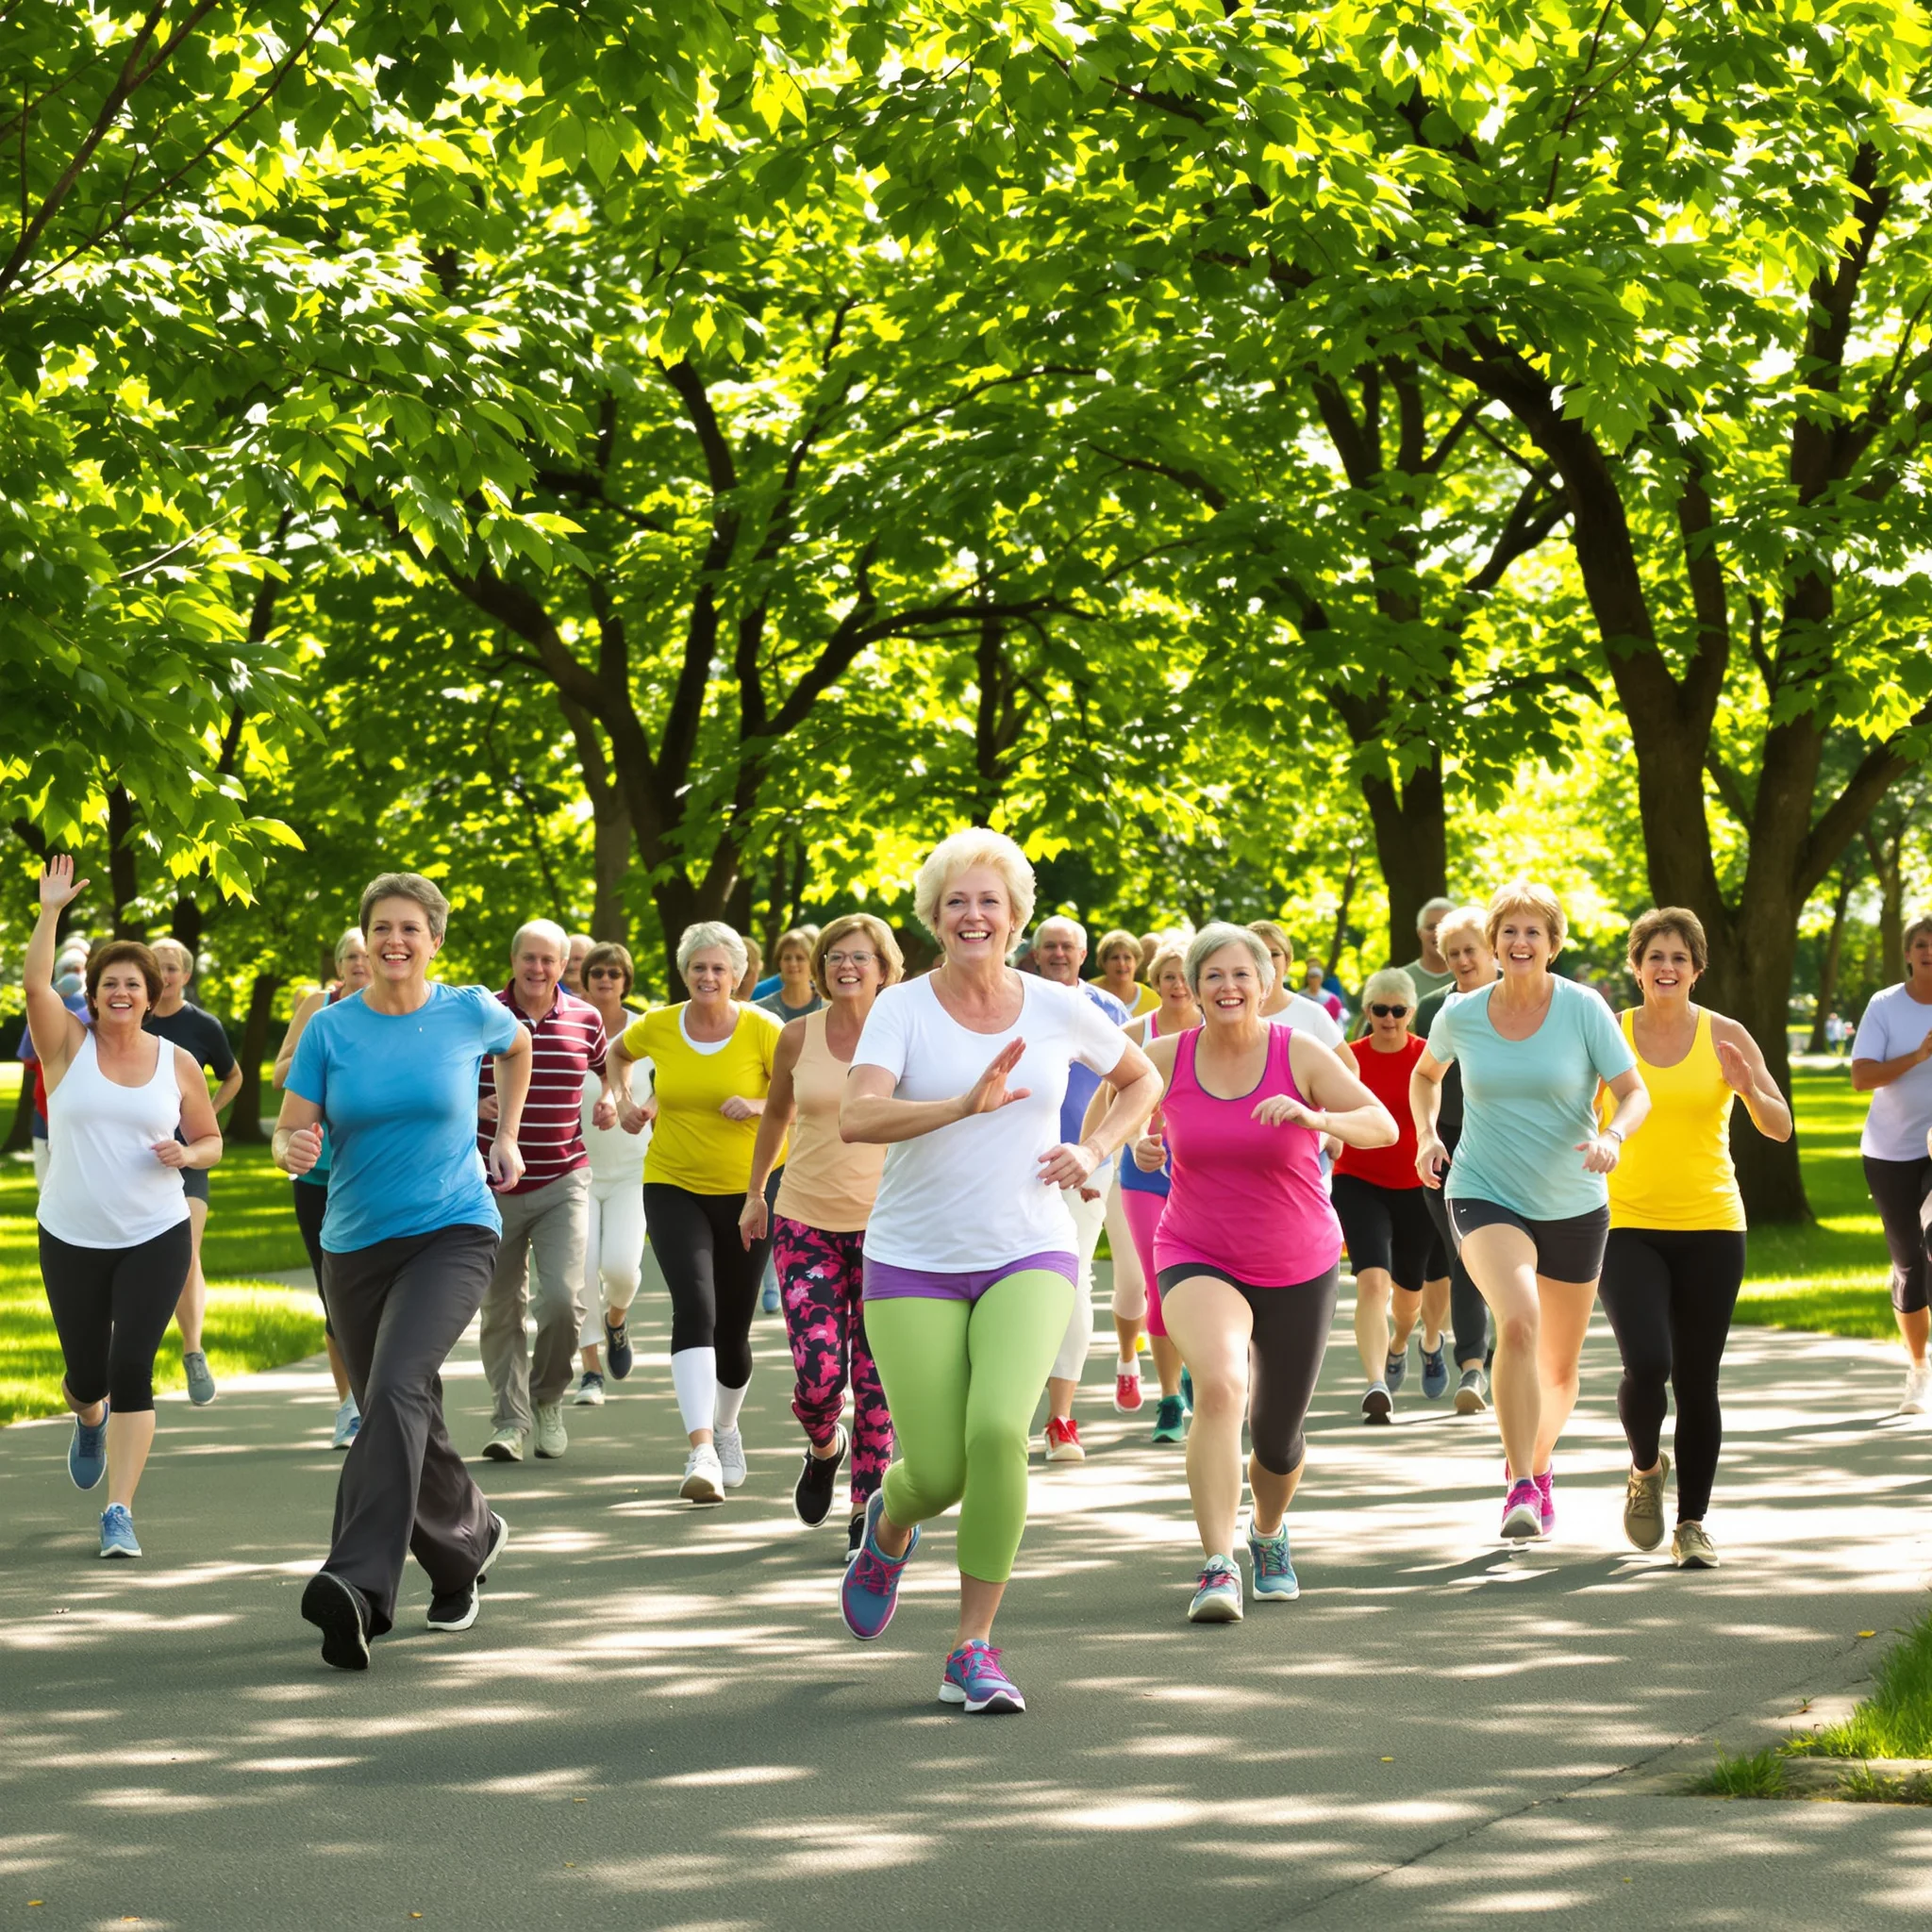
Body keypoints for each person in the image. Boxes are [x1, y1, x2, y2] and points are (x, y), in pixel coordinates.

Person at [838, 829, 1160, 1714]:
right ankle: (890, 1523)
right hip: (912, 1258)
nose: (973, 915)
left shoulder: (1058, 1005)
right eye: (955, 902)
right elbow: (857, 1121)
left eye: (989, 901)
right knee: (937, 1471)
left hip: (1031, 1245)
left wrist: (1094, 1148)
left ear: (1015, 917)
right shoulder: (901, 1008)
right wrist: (957, 1105)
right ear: (934, 919)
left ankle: (970, 1647)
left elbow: (1141, 1081)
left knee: (996, 1435)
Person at [275, 871, 531, 1670]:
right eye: (381, 927)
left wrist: (506, 1135)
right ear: (365, 938)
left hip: (452, 1228)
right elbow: (290, 1130)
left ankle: (356, 1587)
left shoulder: (467, 1012)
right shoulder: (329, 1027)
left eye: (410, 928)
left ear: (435, 939)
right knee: (407, 1400)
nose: (394, 941)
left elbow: (518, 1044)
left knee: (387, 1390)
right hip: (352, 1244)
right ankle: (468, 1542)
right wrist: (296, 1148)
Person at [1137, 924, 1395, 1623]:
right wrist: (1141, 1141)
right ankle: (1217, 1563)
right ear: (1192, 987)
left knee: (1278, 1437)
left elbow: (1381, 1126)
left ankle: (1269, 1534)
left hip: (1297, 1258)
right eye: (1212, 976)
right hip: (1196, 1249)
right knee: (1219, 1386)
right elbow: (1116, 1111)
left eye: (1240, 975)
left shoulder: (1300, 1051)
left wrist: (1315, 1117)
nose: (1227, 988)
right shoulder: (1165, 1055)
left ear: (1265, 982)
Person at [1411, 882, 1650, 1541]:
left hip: (1573, 1198)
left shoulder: (1583, 1009)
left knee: (1560, 1369)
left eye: (1532, 933)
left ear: (1553, 944)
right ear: (1493, 942)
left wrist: (1611, 1137)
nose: (1519, 944)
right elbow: (1426, 1075)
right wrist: (1429, 1135)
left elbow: (1633, 1092)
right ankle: (1518, 1483)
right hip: (1483, 1186)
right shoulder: (1461, 1013)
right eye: (1508, 932)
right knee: (1517, 1322)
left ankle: (1540, 1467)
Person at [26, 857, 222, 1559]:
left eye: (132, 984)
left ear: (150, 995)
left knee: (132, 1362)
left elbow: (210, 1140)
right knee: (88, 1374)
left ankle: (119, 1510)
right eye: (109, 982)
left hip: (154, 1231)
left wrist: (187, 1156)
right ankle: (88, 1419)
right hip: (71, 1234)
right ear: (95, 992)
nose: (119, 991)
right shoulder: (65, 1046)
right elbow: (33, 984)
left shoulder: (178, 1063)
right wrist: (51, 912)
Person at [1599, 909, 1791, 1569]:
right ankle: (1646, 1468)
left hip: (1712, 1225)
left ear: (1697, 968)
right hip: (1625, 1223)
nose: (1666, 968)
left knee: (1697, 1378)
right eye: (1655, 955)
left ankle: (1692, 1523)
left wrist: (1749, 1090)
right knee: (1648, 1363)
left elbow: (1779, 1125)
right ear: (1636, 965)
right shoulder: (1608, 1034)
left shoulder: (1725, 1035)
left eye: (1679, 957)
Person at [741, 914, 902, 1562]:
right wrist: (756, 1193)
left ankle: (867, 1508)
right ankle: (822, 1446)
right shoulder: (795, 1036)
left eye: (860, 957)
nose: (846, 967)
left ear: (885, 968)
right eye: (835, 955)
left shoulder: (905, 1036)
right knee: (819, 1375)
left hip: (889, 1227)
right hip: (804, 1219)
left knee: (875, 1379)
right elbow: (777, 1111)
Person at [608, 922, 782, 1504]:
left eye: (718, 969)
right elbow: (616, 1054)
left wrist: (758, 1102)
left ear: (738, 976)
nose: (707, 978)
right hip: (672, 1182)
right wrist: (625, 1101)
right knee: (696, 1304)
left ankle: (728, 1428)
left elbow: (801, 1095)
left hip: (749, 1190)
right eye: (697, 968)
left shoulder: (764, 1029)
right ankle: (701, 1448)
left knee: (733, 1329)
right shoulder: (660, 1024)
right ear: (684, 973)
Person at [475, 921, 610, 1463]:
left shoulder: (586, 1017)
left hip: (563, 1179)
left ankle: (547, 1398)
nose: (538, 969)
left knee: (562, 1300)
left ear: (563, 966)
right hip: (490, 1186)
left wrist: (613, 1099)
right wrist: (469, 1104)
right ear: (513, 960)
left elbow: (610, 1065)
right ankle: (510, 1421)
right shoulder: (481, 1015)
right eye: (529, 959)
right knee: (500, 1306)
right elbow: (439, 1074)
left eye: (548, 961)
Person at [1082, 940, 1199, 1440]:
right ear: (1155, 982)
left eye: (1184, 976)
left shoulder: (1218, 1031)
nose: (1177, 986)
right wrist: (1093, 1161)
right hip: (1144, 1176)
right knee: (1158, 1286)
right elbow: (1101, 1103)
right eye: (1167, 976)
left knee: (1205, 1282)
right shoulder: (1134, 1034)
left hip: (1205, 1177)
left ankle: (1199, 1360)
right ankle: (1170, 1398)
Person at [1028, 914, 1129, 1462]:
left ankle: (1061, 1419)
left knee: (1071, 1281)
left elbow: (1130, 1088)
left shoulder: (1108, 1011)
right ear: (1036, 953)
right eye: (1050, 946)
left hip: (1084, 1165)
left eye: (1068, 946)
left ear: (1082, 954)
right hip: (1015, 1164)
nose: (1059, 954)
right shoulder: (1014, 999)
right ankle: (1010, 1409)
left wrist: (1096, 1156)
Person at [272, 928, 375, 1450]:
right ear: (339, 965)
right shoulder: (319, 1006)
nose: (360, 962)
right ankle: (349, 1406)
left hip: (374, 1171)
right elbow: (279, 1074)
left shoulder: (394, 1009)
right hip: (318, 1172)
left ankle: (377, 1396)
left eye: (365, 955)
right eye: (350, 956)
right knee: (332, 1291)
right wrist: (320, 1048)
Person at [1334, 970, 1441, 1423]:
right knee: (1372, 1282)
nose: (1390, 1019)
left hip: (1416, 1185)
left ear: (1411, 1013)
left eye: (1399, 1011)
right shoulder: (1349, 1060)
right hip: (1358, 1179)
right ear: (1367, 1012)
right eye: (1380, 1010)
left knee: (1408, 1298)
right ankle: (1377, 1383)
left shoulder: (1427, 1059)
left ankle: (1403, 1343)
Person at [144, 936, 242, 1407]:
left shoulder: (202, 1026)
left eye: (172, 968)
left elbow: (234, 1074)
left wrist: (207, 1115)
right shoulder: (127, 1019)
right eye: (157, 967)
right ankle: (129, 1356)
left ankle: (192, 1350)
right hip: (133, 1160)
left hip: (189, 1157)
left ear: (185, 975)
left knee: (184, 1246)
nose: (165, 976)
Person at [1412, 908, 1499, 1412]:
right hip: (1449, 1143)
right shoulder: (1432, 1009)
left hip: (1513, 1145)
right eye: (1453, 954)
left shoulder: (1522, 1003)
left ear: (1491, 951)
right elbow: (1420, 1074)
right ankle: (1472, 1367)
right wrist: (1426, 1137)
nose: (1463, 960)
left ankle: (1511, 1353)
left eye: (1471, 950)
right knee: (1464, 1251)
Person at [1851, 914, 1932, 1414]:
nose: (1929, 952)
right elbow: (1862, 1077)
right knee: (1909, 1262)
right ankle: (1918, 1371)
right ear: (1908, 953)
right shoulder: (1885, 1005)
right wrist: (1918, 1056)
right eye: (1921, 944)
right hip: (1890, 1151)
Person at [569, 942, 649, 1407]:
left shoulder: (646, 1031)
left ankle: (616, 1320)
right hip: (576, 1170)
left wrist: (639, 1109)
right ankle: (591, 1372)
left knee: (621, 1268)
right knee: (579, 1274)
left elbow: (667, 1088)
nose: (604, 978)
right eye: (596, 971)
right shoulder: (569, 1026)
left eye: (614, 972)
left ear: (626, 980)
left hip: (631, 1172)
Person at [1249, 922, 1346, 1048]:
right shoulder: (1230, 1013)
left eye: (1275, 954)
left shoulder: (1313, 1013)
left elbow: (1350, 1066)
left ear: (1287, 961)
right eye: (1259, 954)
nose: (1268, 961)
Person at [756, 929, 825, 1024]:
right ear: (780, 963)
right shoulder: (761, 1010)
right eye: (787, 958)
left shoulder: (829, 1007)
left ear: (812, 963)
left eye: (800, 958)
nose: (793, 964)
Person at [1398, 896, 1460, 1002]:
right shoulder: (1399, 980)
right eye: (1431, 927)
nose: (1437, 933)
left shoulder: (1471, 974)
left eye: (1445, 927)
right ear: (1419, 933)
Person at [1092, 928, 1159, 1018]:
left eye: (1127, 958)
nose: (1121, 963)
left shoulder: (1153, 1000)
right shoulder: (1088, 994)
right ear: (1103, 962)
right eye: (1115, 958)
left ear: (1136, 961)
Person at [1302, 961, 1344, 1026]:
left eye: (1316, 977)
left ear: (1321, 979)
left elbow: (1340, 1018)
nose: (1314, 980)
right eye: (1311, 977)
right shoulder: (1300, 996)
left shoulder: (1331, 999)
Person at [563, 933, 594, 997]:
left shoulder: (604, 997)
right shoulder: (550, 996)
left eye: (577, 959)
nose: (571, 965)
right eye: (567, 959)